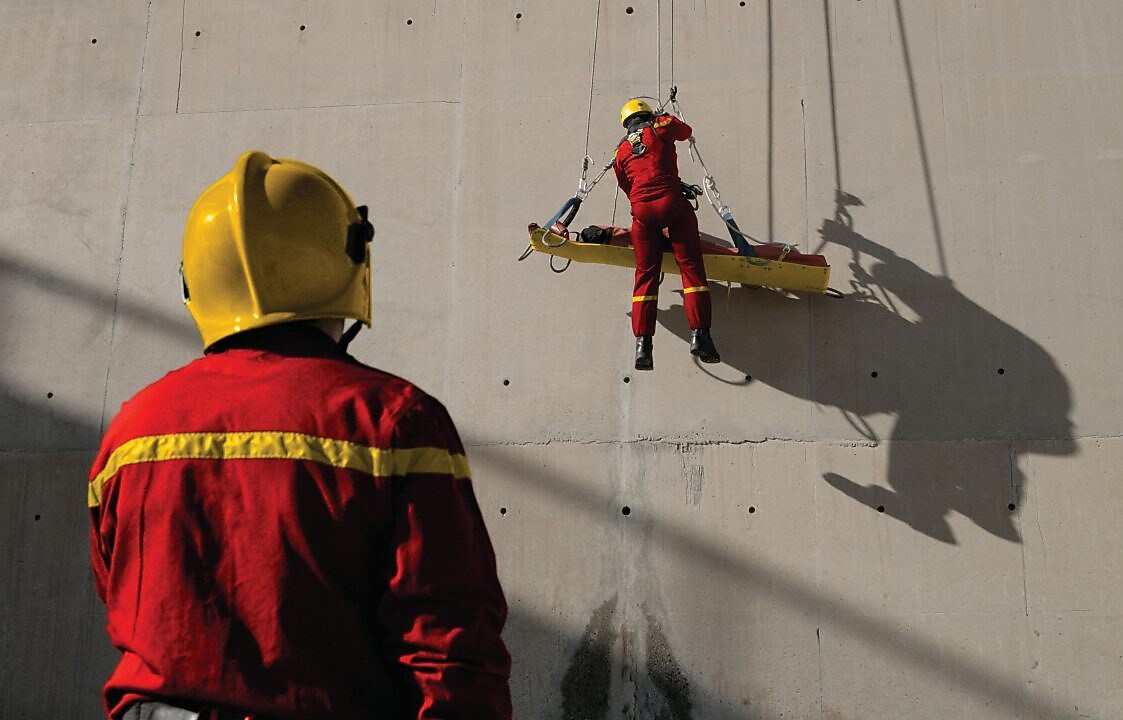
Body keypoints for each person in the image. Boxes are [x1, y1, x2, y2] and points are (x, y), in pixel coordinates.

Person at [87, 151, 512, 719]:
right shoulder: (394, 422)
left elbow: (125, 604)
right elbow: (448, 646)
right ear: (349, 259)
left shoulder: (131, 433)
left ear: (197, 279)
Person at [614, 98, 721, 370]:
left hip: (642, 212)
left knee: (645, 277)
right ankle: (701, 336)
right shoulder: (661, 127)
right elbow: (686, 131)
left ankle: (643, 346)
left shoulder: (621, 151)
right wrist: (665, 116)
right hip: (672, 204)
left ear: (626, 123)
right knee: (691, 268)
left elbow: (627, 186)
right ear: (648, 115)